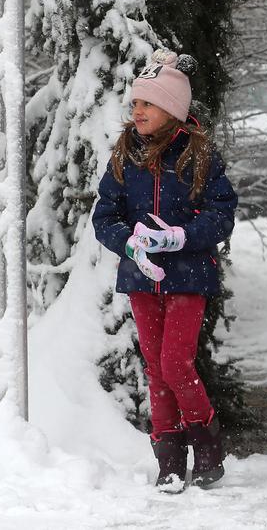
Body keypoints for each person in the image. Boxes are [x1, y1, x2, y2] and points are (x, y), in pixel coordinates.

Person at [91, 50, 239, 492]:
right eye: (135, 103)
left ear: (172, 109)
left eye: (147, 103)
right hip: (142, 276)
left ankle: (207, 442)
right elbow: (105, 217)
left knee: (176, 362)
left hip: (189, 274)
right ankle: (169, 459)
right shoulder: (123, 156)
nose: (137, 111)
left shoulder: (201, 156)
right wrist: (128, 242)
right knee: (156, 367)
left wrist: (180, 236)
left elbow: (222, 213)